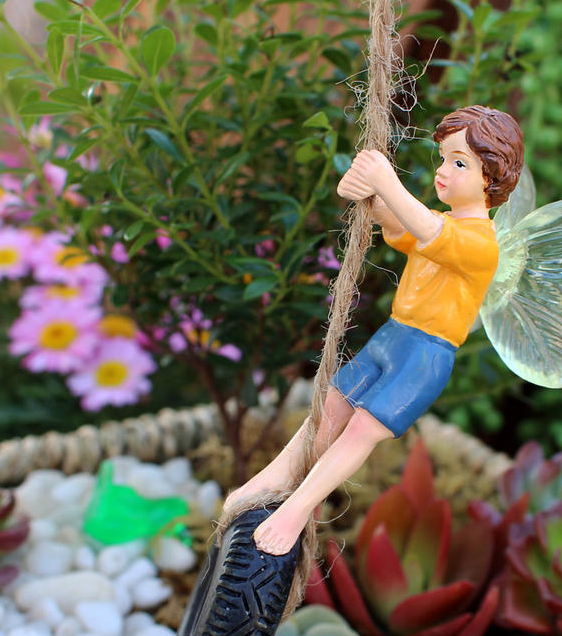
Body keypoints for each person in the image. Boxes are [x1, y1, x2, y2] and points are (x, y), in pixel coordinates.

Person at [225, 105, 525, 555]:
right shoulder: (443, 223)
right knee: (330, 407)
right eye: (443, 158)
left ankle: (296, 510)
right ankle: (275, 478)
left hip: (424, 356)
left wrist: (386, 181)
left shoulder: (481, 244)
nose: (443, 171)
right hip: (392, 336)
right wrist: (370, 197)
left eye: (459, 163)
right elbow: (403, 225)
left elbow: (426, 229)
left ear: (492, 178)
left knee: (361, 431)